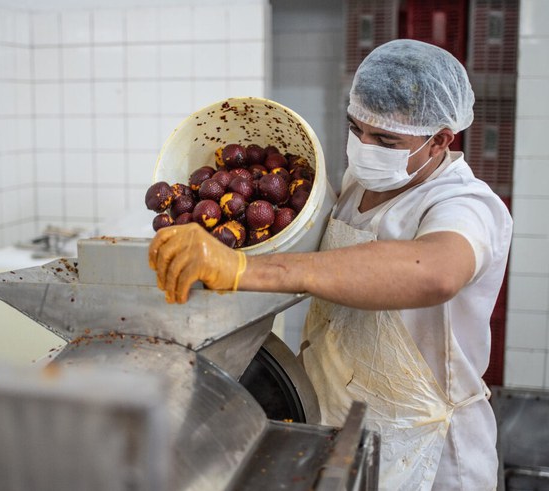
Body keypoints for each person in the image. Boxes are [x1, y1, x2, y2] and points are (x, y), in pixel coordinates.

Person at [148, 39, 512, 490]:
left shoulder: (466, 204)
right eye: (357, 129)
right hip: (337, 416)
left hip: (422, 446)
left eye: (386, 140)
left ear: (439, 140)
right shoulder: (359, 182)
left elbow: (434, 272)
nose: (364, 146)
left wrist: (248, 271)